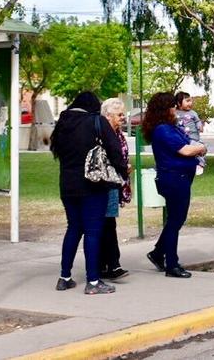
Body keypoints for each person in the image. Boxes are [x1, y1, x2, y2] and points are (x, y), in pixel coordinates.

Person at [51, 92, 127, 295]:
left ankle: (64, 277)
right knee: (93, 232)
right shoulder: (97, 121)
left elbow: (56, 150)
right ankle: (93, 281)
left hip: (67, 185)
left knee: (74, 228)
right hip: (93, 185)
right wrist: (121, 171)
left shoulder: (63, 123)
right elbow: (114, 149)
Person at [143, 92, 207, 279]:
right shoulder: (162, 129)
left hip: (180, 177)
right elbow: (186, 149)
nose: (175, 110)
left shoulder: (171, 128)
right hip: (173, 179)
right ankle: (172, 264)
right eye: (172, 107)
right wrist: (201, 148)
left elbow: (188, 142)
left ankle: (157, 253)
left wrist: (196, 146)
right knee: (175, 220)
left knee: (176, 219)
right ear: (165, 109)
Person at [98, 97, 132, 280]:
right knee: (107, 223)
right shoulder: (104, 133)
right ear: (108, 115)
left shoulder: (117, 133)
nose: (122, 118)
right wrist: (122, 167)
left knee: (108, 223)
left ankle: (107, 264)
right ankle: (111, 264)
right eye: (119, 115)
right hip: (106, 182)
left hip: (115, 181)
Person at [174, 92, 206, 175]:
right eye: (187, 101)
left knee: (200, 148)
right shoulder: (175, 113)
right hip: (181, 138)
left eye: (190, 101)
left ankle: (200, 164)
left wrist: (200, 126)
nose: (190, 103)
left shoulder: (193, 113)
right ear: (178, 103)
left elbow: (197, 121)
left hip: (193, 137)